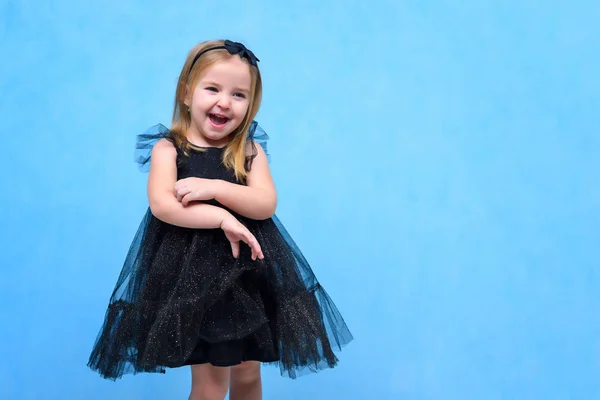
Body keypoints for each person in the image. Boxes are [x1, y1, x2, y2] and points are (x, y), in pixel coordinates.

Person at [87, 39, 353, 400]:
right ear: (186, 93)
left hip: (249, 277)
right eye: (212, 88)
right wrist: (219, 218)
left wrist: (213, 187)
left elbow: (264, 203)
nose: (224, 102)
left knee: (248, 375)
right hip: (193, 284)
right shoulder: (168, 149)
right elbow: (163, 205)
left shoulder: (248, 151)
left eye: (239, 95)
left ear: (252, 104)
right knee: (211, 383)